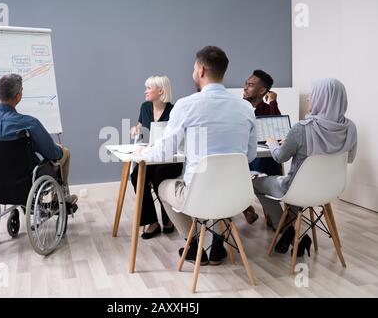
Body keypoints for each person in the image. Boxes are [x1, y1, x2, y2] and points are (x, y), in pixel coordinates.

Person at [135, 46, 257, 265]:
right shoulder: (246, 108)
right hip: (236, 195)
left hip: (198, 195)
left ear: (201, 70)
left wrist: (144, 151)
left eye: (193, 69)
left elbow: (164, 151)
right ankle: (218, 242)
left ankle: (193, 245)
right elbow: (249, 156)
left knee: (163, 185)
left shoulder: (186, 105)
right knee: (220, 186)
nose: (193, 73)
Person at [253, 78, 357, 257]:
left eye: (312, 95)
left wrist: (272, 143)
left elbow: (279, 157)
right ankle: (296, 235)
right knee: (299, 188)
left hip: (297, 190)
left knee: (257, 184)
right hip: (329, 190)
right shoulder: (350, 127)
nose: (309, 99)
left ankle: (286, 230)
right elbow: (349, 158)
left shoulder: (301, 129)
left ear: (321, 99)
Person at [0, 73, 78, 207]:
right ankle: (60, 200)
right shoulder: (29, 123)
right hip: (25, 177)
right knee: (64, 152)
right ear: (18, 96)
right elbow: (52, 153)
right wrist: (59, 150)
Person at [130, 76, 183, 239]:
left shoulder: (174, 111)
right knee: (136, 174)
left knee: (159, 175)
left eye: (149, 88)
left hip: (170, 159)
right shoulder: (145, 107)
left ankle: (169, 219)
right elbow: (141, 125)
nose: (145, 91)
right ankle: (152, 221)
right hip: (151, 156)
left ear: (160, 90)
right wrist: (135, 129)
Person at [242, 70, 284, 227]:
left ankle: (276, 215)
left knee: (271, 160)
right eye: (246, 83)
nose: (245, 88)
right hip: (242, 157)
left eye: (251, 85)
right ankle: (246, 208)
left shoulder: (267, 109)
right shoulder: (237, 108)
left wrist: (273, 101)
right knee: (230, 172)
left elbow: (279, 132)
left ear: (262, 90)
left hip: (261, 158)